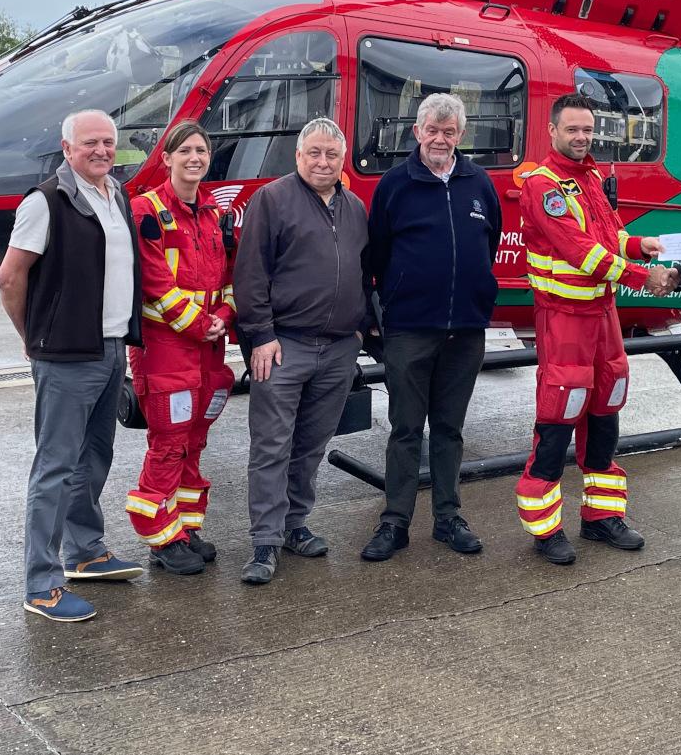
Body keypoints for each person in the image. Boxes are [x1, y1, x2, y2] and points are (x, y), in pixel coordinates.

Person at [0, 109, 146, 623]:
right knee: (55, 468)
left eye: (108, 142)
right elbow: (10, 277)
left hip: (111, 346)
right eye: (89, 143)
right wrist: (32, 336)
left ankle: (85, 552)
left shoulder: (115, 194)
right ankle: (41, 584)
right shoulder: (45, 202)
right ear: (67, 149)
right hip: (66, 355)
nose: (101, 151)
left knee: (94, 457)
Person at [513, 93, 676, 564]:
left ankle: (601, 517)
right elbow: (581, 252)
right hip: (564, 319)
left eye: (588, 130)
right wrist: (643, 277)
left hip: (602, 315)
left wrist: (640, 244)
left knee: (607, 405)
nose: (582, 137)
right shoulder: (543, 186)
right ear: (553, 131)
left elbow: (610, 237)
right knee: (560, 412)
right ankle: (545, 530)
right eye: (573, 129)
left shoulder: (589, 178)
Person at [360, 93, 501, 562]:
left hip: (466, 330)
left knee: (449, 429)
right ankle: (395, 522)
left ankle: (448, 517)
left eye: (449, 131)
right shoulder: (395, 185)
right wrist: (385, 310)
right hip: (410, 329)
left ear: (461, 135)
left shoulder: (478, 182)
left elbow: (490, 243)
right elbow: (377, 254)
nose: (440, 139)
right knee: (405, 428)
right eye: (433, 130)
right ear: (417, 132)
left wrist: (477, 297)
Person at [232, 116, 370, 586]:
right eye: (314, 153)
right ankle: (264, 541)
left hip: (338, 350)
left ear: (343, 159)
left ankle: (294, 525)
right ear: (297, 156)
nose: (323, 162)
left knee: (310, 445)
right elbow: (250, 273)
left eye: (332, 154)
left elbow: (364, 273)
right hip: (283, 346)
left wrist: (360, 332)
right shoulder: (271, 200)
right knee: (271, 445)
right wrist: (260, 335)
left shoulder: (355, 208)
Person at [124, 122, 236, 577]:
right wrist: (202, 325)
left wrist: (223, 317)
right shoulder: (146, 211)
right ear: (166, 158)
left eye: (201, 151)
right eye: (185, 150)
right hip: (166, 348)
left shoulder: (214, 214)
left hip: (208, 348)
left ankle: (185, 528)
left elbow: (229, 278)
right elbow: (155, 284)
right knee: (169, 442)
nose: (194, 158)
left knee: (194, 439)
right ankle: (159, 536)